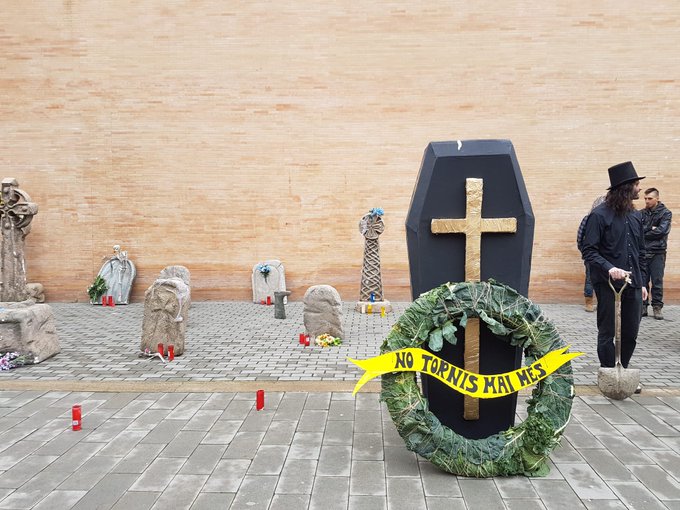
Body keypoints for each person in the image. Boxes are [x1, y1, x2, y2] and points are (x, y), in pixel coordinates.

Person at [581, 162, 648, 391]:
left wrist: (642, 283)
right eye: (636, 184)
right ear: (625, 187)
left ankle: (623, 372)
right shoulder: (599, 215)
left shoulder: (636, 216)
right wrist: (609, 268)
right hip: (608, 283)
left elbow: (641, 252)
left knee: (630, 332)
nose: (639, 188)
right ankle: (609, 373)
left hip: (633, 283)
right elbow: (589, 250)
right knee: (608, 331)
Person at [641, 187, 672, 320]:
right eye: (645, 198)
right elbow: (637, 230)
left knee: (657, 281)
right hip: (643, 251)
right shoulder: (641, 213)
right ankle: (643, 306)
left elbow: (662, 231)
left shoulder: (666, 213)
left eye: (650, 198)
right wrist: (651, 228)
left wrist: (645, 232)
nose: (647, 201)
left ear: (657, 198)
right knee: (643, 280)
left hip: (658, 251)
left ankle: (657, 307)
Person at [577, 196, 605, 312]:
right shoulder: (588, 218)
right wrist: (585, 251)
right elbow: (580, 237)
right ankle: (589, 302)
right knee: (590, 278)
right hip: (593, 253)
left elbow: (579, 237)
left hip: (604, 254)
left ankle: (601, 303)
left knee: (600, 279)